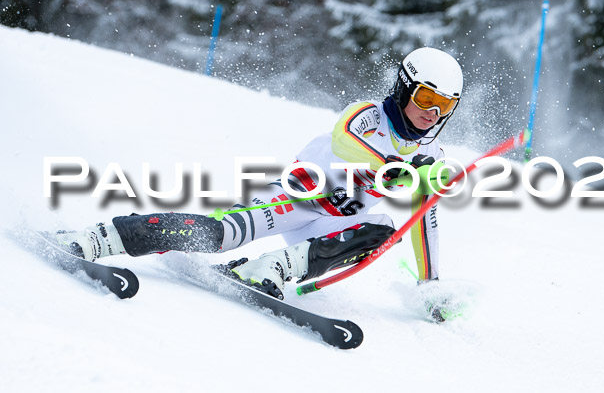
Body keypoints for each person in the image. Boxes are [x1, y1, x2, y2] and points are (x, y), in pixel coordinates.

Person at [61, 47, 463, 317]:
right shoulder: (368, 116)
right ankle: (105, 236)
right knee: (222, 235)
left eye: (445, 105)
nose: (433, 112)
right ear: (406, 86)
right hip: (297, 198)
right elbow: (344, 138)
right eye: (427, 98)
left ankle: (269, 269)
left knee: (383, 231)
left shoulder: (431, 156)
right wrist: (389, 165)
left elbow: (424, 219)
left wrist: (430, 285)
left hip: (333, 222)